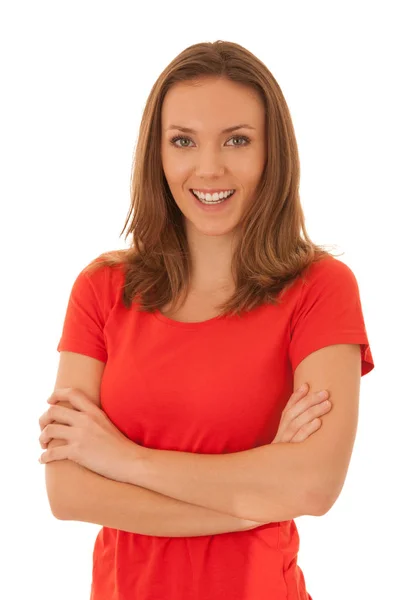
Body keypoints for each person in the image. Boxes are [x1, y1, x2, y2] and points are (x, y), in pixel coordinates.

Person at [38, 40, 374, 599]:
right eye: (183, 141)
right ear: (159, 154)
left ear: (272, 152)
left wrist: (121, 460)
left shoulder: (320, 290)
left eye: (237, 140)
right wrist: (254, 499)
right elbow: (68, 493)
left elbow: (313, 486)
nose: (209, 167)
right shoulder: (101, 290)